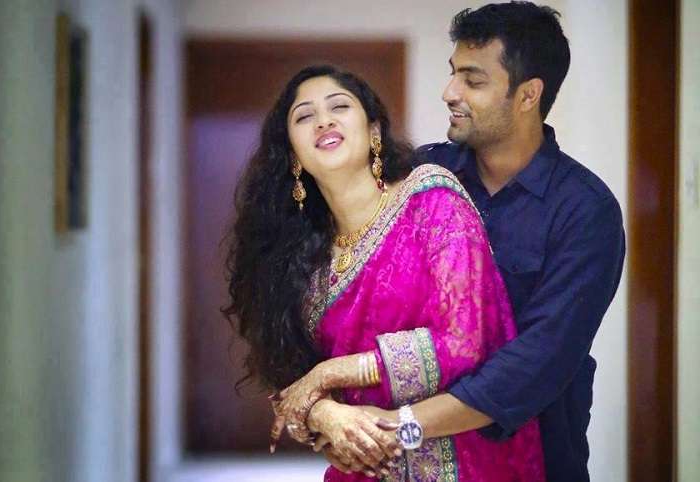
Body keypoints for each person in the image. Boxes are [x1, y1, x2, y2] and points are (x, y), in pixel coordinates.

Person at [284, 3, 625, 481]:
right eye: (453, 73)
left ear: (528, 95)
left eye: (473, 80)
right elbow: (344, 299)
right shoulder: (421, 177)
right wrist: (331, 416)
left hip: (533, 463)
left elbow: (534, 365)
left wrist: (392, 429)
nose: (450, 92)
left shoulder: (584, 212)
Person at [223, 63, 546, 481]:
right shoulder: (302, 261)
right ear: (292, 155)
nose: (323, 120)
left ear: (374, 130)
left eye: (339, 106)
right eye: (304, 116)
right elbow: (291, 386)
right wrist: (325, 415)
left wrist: (333, 371)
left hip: (468, 463)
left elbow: (464, 343)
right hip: (365, 470)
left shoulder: (430, 200)